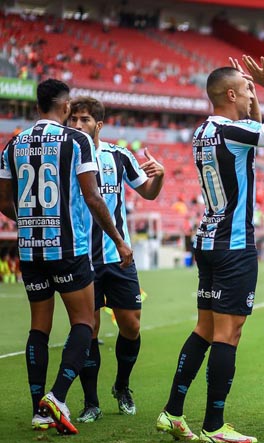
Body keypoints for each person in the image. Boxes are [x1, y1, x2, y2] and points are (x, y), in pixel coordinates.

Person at [156, 56, 264, 443]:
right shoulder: (233, 131)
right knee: (229, 334)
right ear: (229, 94)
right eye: (245, 91)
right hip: (234, 244)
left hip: (208, 239)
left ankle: (172, 412)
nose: (250, 95)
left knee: (205, 329)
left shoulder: (204, 131)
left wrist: (253, 97)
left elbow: (252, 129)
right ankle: (214, 426)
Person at [0, 78, 132, 435]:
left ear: (37, 106)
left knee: (38, 328)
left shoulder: (14, 144)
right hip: (68, 249)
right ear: (65, 106)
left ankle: (38, 412)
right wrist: (118, 240)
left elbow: (3, 201)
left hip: (30, 250)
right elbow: (92, 196)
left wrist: (30, 221)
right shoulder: (77, 141)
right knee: (84, 322)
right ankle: (57, 396)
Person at [68, 96, 165, 423]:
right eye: (73, 120)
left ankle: (122, 386)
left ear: (99, 124)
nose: (77, 125)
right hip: (82, 258)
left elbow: (148, 192)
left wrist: (160, 175)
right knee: (89, 329)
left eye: (84, 119)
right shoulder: (65, 155)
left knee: (131, 325)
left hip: (118, 256)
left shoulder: (118, 155)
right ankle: (91, 402)